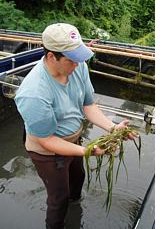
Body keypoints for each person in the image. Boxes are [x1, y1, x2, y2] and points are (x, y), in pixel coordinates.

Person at [14, 23, 136, 229]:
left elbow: (88, 105)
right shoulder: (33, 93)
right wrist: (87, 151)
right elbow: (46, 140)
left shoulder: (78, 67)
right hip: (47, 152)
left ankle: (75, 207)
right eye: (72, 60)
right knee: (58, 198)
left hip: (74, 141)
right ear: (52, 56)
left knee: (78, 180)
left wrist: (113, 128)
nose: (78, 65)